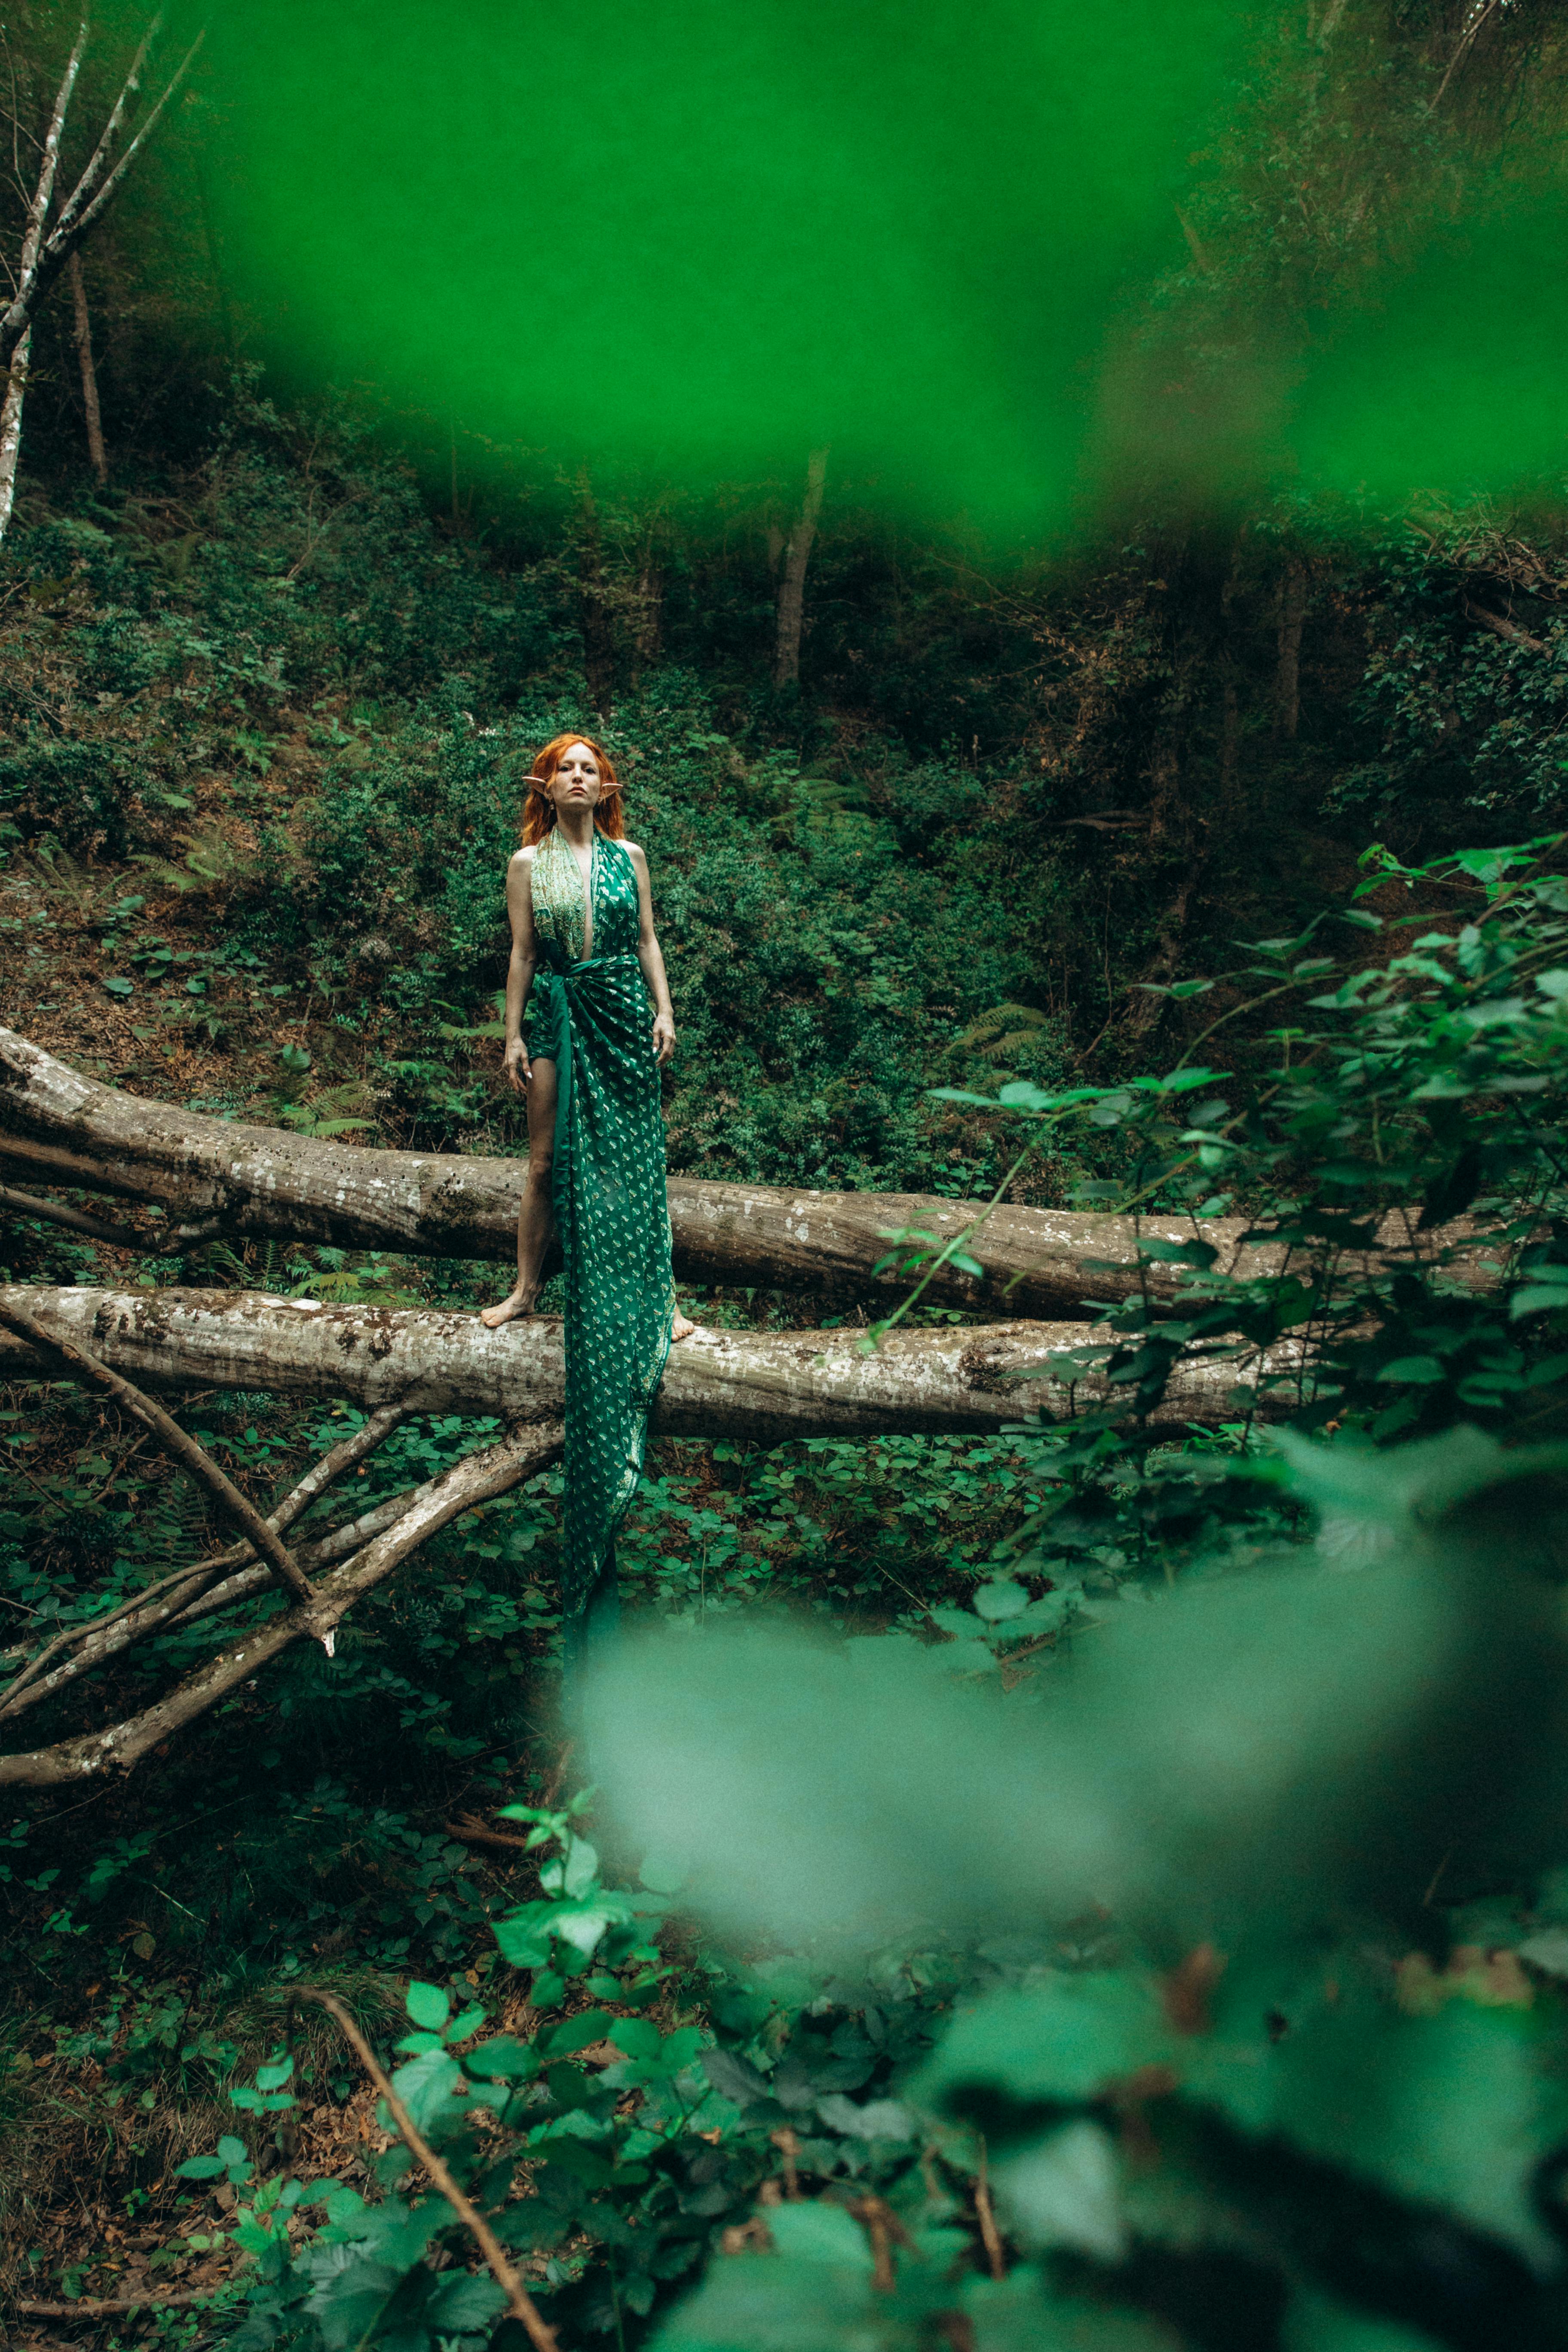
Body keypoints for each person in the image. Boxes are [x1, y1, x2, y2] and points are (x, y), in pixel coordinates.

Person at [481, 733, 695, 1679]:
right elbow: (523, 952)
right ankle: (528, 1286)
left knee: (636, 1161)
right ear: (546, 782)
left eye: (590, 766)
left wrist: (664, 1007)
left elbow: (648, 936)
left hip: (620, 1006)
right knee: (540, 1164)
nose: (578, 776)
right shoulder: (526, 863)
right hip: (563, 1012)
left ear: (605, 784)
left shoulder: (629, 858)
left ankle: (664, 1301)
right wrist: (512, 1032)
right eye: (563, 765)